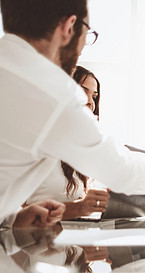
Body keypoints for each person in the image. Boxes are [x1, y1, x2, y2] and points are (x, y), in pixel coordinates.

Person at [0, 0, 145, 228]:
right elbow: (118, 167)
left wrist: (11, 216)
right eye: (87, 36)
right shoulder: (50, 91)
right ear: (69, 27)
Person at [25, 66, 110, 220]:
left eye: (94, 97)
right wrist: (78, 208)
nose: (91, 102)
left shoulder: (80, 151)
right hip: (30, 240)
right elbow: (13, 213)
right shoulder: (32, 142)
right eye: (83, 92)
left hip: (69, 239)